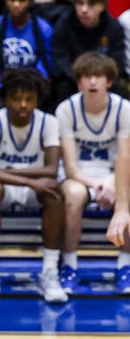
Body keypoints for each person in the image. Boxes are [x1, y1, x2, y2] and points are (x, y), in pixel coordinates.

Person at [0, 68, 68, 303]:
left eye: (29, 99)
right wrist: (27, 180)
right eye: (16, 99)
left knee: (54, 193)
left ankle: (49, 272)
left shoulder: (49, 122)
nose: (23, 105)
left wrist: (3, 172)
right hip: (8, 188)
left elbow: (52, 170)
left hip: (32, 187)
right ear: (6, 99)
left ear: (38, 99)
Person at [56, 52, 130, 294]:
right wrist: (98, 184)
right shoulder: (66, 109)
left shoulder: (124, 109)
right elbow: (70, 167)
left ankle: (125, 266)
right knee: (74, 196)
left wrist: (112, 182)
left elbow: (125, 157)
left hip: (114, 174)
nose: (92, 82)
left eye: (98, 76)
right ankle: (69, 265)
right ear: (79, 82)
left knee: (127, 195)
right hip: (80, 177)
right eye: (86, 77)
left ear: (109, 81)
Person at [0, 0, 54, 110]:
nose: (16, 5)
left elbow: (46, 63)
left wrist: (33, 84)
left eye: (22, 1)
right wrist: (0, 86)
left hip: (32, 82)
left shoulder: (44, 29)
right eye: (12, 0)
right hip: (1, 82)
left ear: (31, 3)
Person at [51, 0, 127, 104]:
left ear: (102, 6)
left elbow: (117, 62)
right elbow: (60, 58)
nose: (84, 10)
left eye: (91, 4)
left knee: (120, 88)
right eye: (80, 3)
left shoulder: (114, 27)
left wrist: (100, 78)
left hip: (104, 79)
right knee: (62, 87)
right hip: (73, 79)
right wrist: (79, 78)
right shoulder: (63, 24)